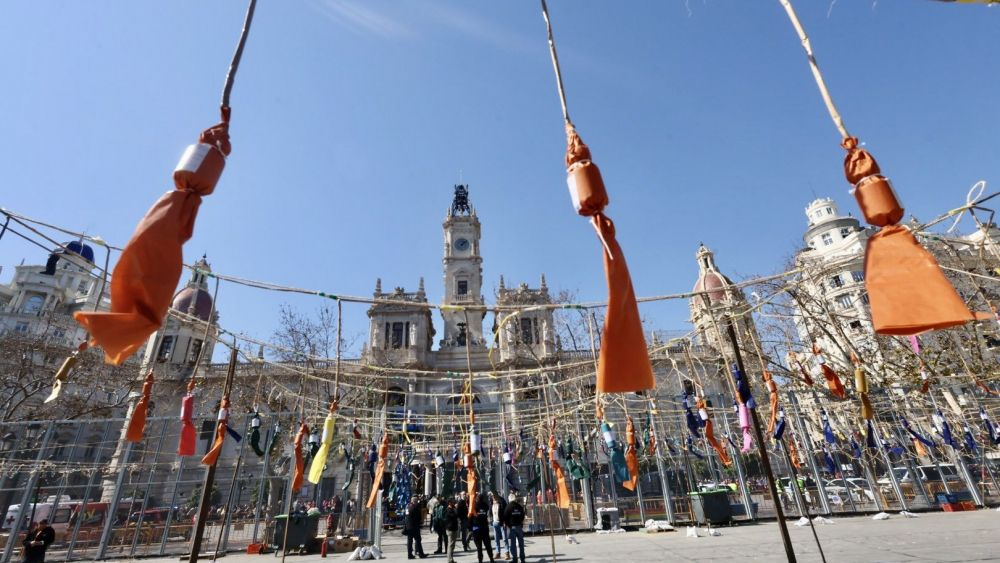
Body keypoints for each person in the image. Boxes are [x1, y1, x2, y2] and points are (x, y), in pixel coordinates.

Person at [503, 494, 526, 563]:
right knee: (521, 543)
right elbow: (523, 515)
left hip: (512, 527)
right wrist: (520, 522)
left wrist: (508, 525)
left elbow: (505, 517)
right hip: (519, 526)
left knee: (513, 544)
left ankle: (515, 559)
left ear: (509, 499)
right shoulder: (519, 506)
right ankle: (522, 559)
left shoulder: (508, 507)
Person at [471, 496, 494, 563]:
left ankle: (480, 560)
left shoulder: (474, 506)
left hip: (477, 527)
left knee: (479, 546)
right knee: (488, 545)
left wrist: (470, 527)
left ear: (477, 499)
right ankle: (491, 558)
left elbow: (471, 516)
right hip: (484, 527)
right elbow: (487, 511)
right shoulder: (485, 505)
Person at [488, 492, 509, 560]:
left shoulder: (502, 501)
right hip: (495, 522)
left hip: (501, 522)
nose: (493, 497)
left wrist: (505, 522)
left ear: (497, 495)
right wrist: (491, 519)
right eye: (492, 496)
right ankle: (498, 553)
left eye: (494, 495)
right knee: (496, 539)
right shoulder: (491, 502)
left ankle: (507, 553)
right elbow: (490, 512)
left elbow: (506, 512)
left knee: (504, 539)